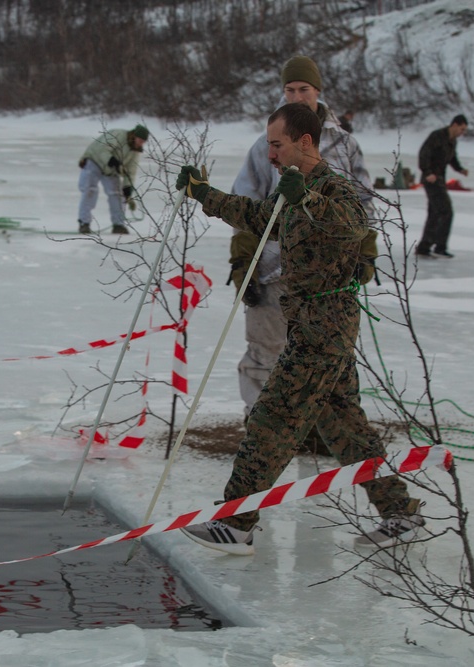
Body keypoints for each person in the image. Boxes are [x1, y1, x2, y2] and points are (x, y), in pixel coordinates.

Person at [176, 103, 423, 555]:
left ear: (304, 142)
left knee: (272, 420)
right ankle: (400, 512)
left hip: (322, 330)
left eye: (277, 144)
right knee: (346, 427)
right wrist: (202, 193)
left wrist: (307, 200)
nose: (270, 153)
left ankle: (235, 522)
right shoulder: (293, 189)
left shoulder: (331, 188)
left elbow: (352, 226)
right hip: (313, 326)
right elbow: (256, 216)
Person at [229, 55, 377, 458]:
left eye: (303, 90)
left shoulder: (343, 144)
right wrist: (243, 259)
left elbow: (363, 201)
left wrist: (365, 250)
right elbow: (246, 202)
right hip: (274, 267)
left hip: (328, 277)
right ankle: (258, 433)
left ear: (318, 91)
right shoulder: (267, 144)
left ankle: (317, 433)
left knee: (324, 362)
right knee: (264, 351)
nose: (297, 96)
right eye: (290, 90)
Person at [77, 124, 148, 234]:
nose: (141, 143)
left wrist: (127, 190)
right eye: (140, 140)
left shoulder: (134, 152)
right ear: (134, 136)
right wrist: (113, 161)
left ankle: (118, 224)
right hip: (94, 162)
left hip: (110, 170)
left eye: (143, 142)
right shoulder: (118, 135)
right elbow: (102, 149)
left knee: (117, 194)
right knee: (90, 191)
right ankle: (84, 223)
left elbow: (131, 172)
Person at [415, 114, 469, 258]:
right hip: (431, 180)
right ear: (455, 125)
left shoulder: (452, 141)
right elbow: (424, 154)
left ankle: (425, 246)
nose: (462, 133)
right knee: (446, 211)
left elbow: (452, 158)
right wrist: (427, 172)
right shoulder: (437, 136)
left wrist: (460, 169)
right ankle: (439, 245)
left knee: (435, 213)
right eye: (462, 129)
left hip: (440, 179)